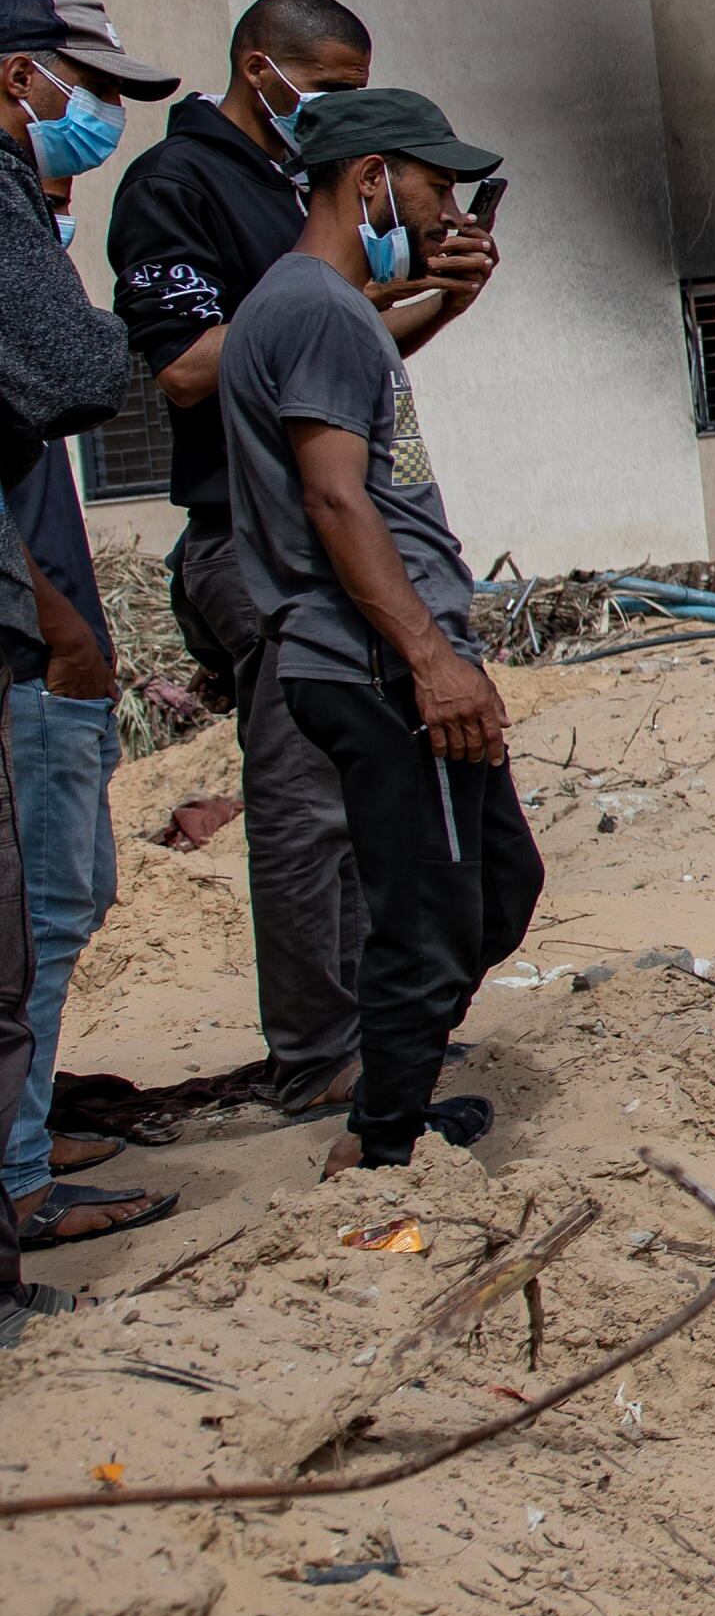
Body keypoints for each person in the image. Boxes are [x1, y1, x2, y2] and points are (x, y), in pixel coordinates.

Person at [214, 87, 537, 1175]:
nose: (445, 208)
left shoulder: (317, 308)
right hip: (378, 664)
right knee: (432, 913)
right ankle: (382, 1145)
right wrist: (430, 660)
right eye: (433, 184)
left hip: (387, 656)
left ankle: (393, 1094)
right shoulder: (314, 309)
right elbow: (336, 497)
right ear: (368, 181)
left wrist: (444, 304)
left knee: (496, 886)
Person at [104, 0, 398, 1115]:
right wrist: (332, 301)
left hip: (328, 529)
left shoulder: (289, 185)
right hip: (252, 536)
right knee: (301, 803)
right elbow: (184, 367)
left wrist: (429, 295)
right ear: (259, 68)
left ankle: (366, 1032)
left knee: (356, 800)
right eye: (327, 90)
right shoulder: (176, 184)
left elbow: (325, 366)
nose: (340, 113)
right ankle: (319, 1054)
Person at [3, 0, 173, 1246]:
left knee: (60, 910)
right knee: (40, 916)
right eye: (85, 87)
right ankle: (17, 1175)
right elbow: (80, 372)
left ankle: (24, 1132)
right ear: (20, 80)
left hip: (43, 634)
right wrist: (61, 631)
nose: (100, 115)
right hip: (29, 646)